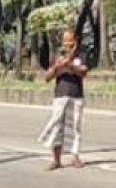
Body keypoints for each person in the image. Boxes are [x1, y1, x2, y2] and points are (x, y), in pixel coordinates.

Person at [38, 29, 88, 170]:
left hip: (76, 95)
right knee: (57, 126)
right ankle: (56, 160)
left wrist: (70, 65)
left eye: (70, 41)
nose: (68, 45)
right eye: (65, 42)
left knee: (75, 127)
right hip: (60, 95)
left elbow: (83, 72)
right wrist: (57, 66)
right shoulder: (57, 55)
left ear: (75, 41)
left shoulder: (81, 55)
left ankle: (75, 157)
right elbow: (47, 77)